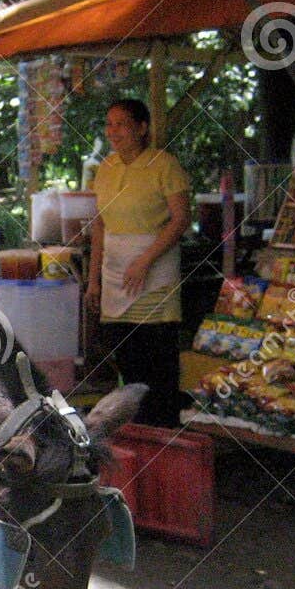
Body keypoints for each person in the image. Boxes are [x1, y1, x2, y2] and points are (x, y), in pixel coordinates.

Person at [83, 98, 190, 428]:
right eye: (109, 124)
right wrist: (94, 280)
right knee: (127, 355)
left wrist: (145, 260)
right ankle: (134, 430)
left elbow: (181, 218)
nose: (114, 131)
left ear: (142, 128)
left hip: (155, 267)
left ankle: (164, 432)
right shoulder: (106, 168)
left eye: (122, 124)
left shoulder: (164, 164)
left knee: (157, 357)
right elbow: (99, 224)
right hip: (115, 270)